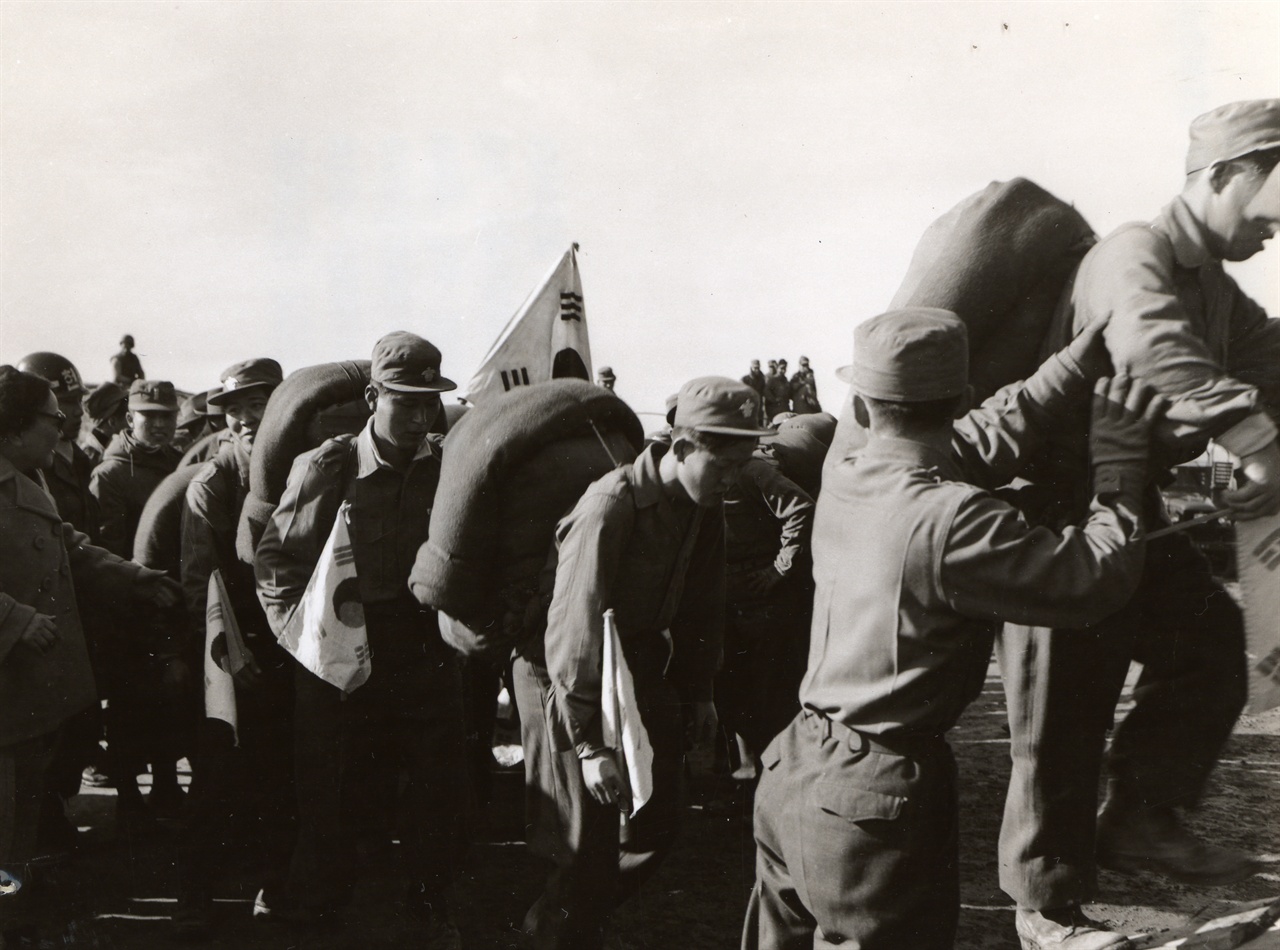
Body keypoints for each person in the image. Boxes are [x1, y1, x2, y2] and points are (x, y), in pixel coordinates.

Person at [742, 309, 1161, 950]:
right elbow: (1095, 578)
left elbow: (976, 438)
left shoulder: (844, 470)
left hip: (793, 769)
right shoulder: (953, 517)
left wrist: (1074, 364)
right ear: (960, 396)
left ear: (863, 398)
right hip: (872, 803)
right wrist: (1122, 456)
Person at [996, 99, 1280, 950]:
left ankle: (1140, 815)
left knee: (1207, 646)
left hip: (1130, 502)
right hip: (1053, 512)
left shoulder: (1219, 292)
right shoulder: (1133, 254)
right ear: (1224, 174)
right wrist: (1254, 440)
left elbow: (1272, 361)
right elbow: (1153, 345)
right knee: (1062, 713)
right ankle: (1043, 911)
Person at [514, 375, 769, 950]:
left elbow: (705, 606)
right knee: (586, 841)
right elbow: (573, 627)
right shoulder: (611, 505)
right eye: (722, 463)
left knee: (659, 821)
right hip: (566, 677)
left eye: (742, 464)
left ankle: (559, 916)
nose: (733, 479)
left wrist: (702, 692)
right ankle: (564, 929)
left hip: (637, 670)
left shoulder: (703, 505)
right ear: (680, 448)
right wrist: (588, 745)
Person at [255, 333, 467, 944]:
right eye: (407, 403)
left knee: (438, 777)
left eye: (431, 404)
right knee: (333, 776)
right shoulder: (329, 466)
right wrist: (301, 642)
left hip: (422, 638)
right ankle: (322, 898)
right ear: (374, 396)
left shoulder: (446, 467)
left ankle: (429, 897)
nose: (422, 417)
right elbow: (278, 564)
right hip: (340, 638)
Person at [0, 366, 180, 944]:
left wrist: (135, 578)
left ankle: (15, 912)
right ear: (14, 428)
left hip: (28, 687)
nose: (63, 428)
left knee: (20, 807)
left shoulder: (30, 479)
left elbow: (69, 545)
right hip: (10, 673)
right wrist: (13, 618)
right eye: (53, 418)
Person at [175, 358, 290, 937]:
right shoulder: (213, 482)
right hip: (235, 649)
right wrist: (231, 656)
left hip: (291, 644)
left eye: (258, 404)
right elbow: (202, 583)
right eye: (235, 408)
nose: (246, 419)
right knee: (218, 768)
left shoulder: (304, 467)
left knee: (285, 771)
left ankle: (275, 883)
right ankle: (195, 894)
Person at [89, 379, 186, 819]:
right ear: (130, 419)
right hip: (126, 606)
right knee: (130, 707)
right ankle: (129, 799)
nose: (161, 424)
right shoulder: (110, 474)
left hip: (172, 598)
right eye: (151, 416)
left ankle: (166, 787)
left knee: (170, 703)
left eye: (168, 415)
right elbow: (105, 548)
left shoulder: (178, 462)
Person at [80, 382, 129, 466]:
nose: (132, 424)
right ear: (112, 422)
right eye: (128, 418)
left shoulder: (108, 448)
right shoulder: (89, 458)